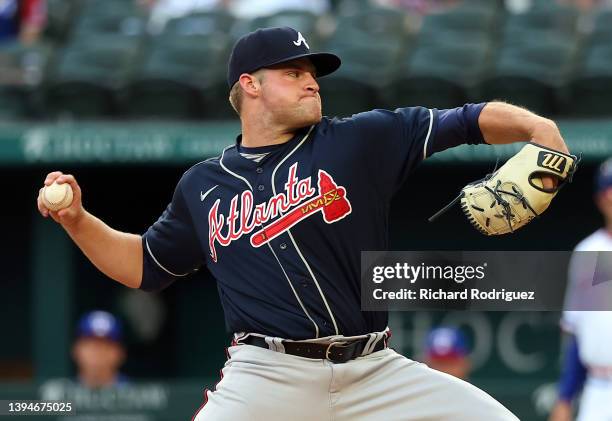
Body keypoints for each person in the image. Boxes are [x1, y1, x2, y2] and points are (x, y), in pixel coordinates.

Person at [37, 26, 571, 420]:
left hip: (374, 370)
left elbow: (465, 121)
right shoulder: (202, 186)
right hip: (267, 375)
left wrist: (536, 124)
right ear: (249, 85)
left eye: (312, 75)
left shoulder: (359, 140)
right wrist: (78, 220)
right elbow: (144, 267)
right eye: (293, 73)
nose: (311, 84)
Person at [549, 157, 612, 421]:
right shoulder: (588, 251)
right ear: (601, 198)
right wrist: (565, 397)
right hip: (598, 389)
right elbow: (576, 329)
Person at [72, 310, 128, 388]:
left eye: (106, 346)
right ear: (76, 350)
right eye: (91, 345)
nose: (98, 352)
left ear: (120, 353)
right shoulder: (59, 396)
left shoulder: (137, 395)